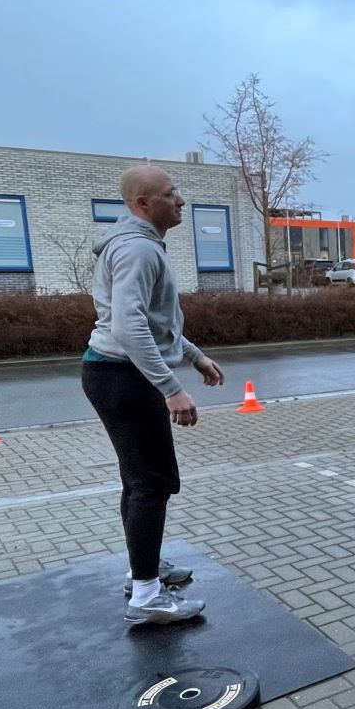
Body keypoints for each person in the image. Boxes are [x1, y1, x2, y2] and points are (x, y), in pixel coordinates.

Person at [83, 164, 226, 625]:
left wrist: (195, 356)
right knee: (153, 483)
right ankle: (146, 596)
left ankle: (142, 568)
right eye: (170, 194)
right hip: (125, 377)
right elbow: (128, 326)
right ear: (143, 204)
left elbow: (154, 322)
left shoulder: (136, 246)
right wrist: (170, 387)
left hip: (114, 373)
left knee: (141, 482)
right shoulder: (139, 251)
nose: (180, 201)